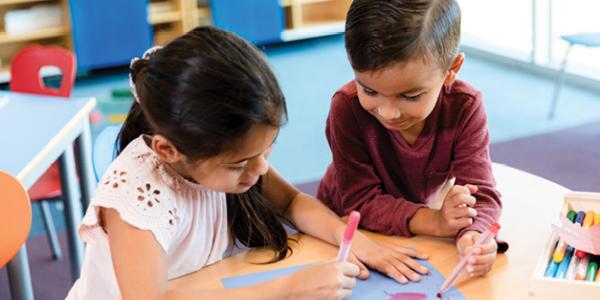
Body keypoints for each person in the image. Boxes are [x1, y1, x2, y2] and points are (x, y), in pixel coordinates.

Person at [66, 26, 429, 300]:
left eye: (267, 151)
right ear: (168, 150)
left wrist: (350, 239)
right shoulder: (136, 199)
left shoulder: (222, 156)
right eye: (241, 163)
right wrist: (289, 287)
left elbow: (290, 202)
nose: (258, 171)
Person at [318, 0, 506, 280]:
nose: (388, 113)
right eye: (369, 90)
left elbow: (480, 192)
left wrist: (474, 235)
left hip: (410, 225)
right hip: (340, 226)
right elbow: (361, 202)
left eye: (410, 96)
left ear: (452, 69)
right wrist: (437, 222)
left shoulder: (464, 106)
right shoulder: (347, 108)